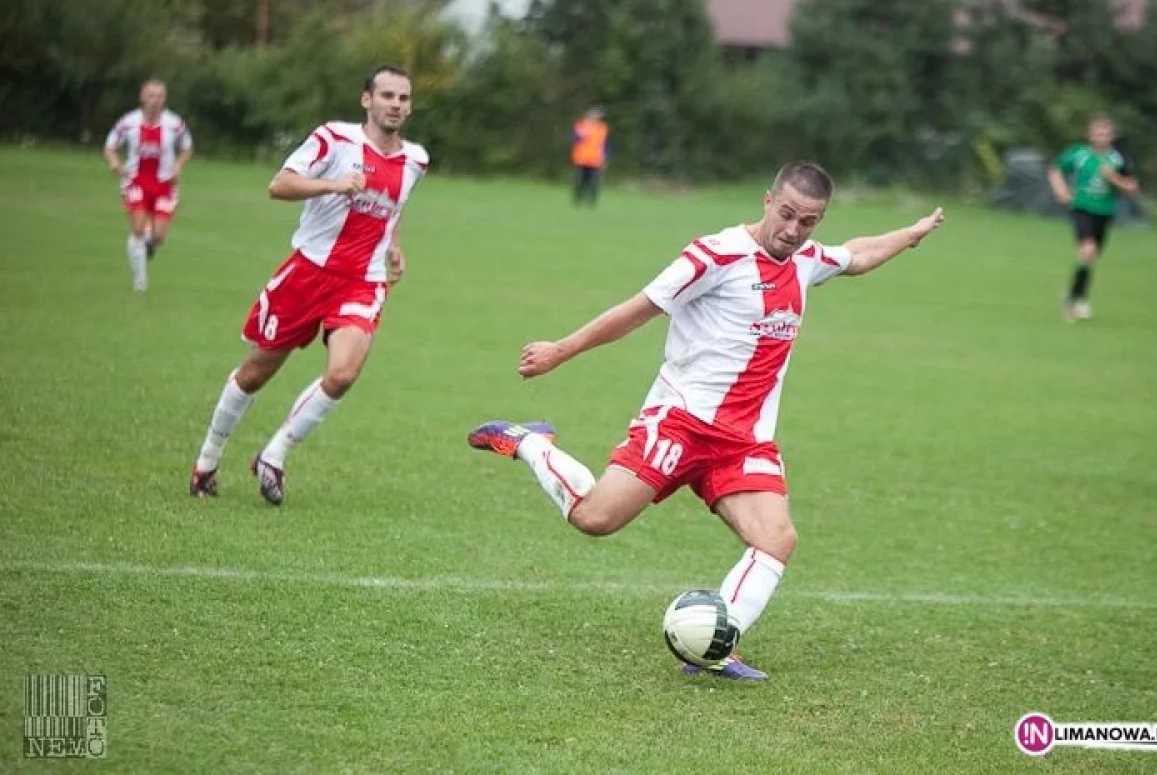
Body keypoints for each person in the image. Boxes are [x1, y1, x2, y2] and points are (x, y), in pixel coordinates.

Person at [467, 163, 945, 680]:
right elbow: (637, 309)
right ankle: (530, 442)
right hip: (680, 424)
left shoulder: (807, 259)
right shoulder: (715, 255)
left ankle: (716, 645)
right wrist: (562, 349)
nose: (793, 230)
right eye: (786, 214)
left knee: (777, 539)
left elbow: (858, 254)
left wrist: (911, 236)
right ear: (767, 201)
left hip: (745, 442)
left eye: (808, 221)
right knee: (594, 519)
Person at [189, 64, 429, 505]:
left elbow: (394, 208)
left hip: (363, 282)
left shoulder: (415, 160)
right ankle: (207, 461)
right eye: (388, 96)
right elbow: (278, 185)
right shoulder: (334, 139)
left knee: (342, 374)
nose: (396, 104)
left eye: (404, 98)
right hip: (307, 273)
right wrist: (335, 184)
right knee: (256, 371)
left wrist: (393, 245)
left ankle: (273, 455)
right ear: (367, 100)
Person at [104, 79, 194, 292]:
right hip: (135, 181)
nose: (155, 100)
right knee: (138, 228)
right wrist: (115, 162)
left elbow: (187, 148)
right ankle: (140, 279)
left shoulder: (174, 123)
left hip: (164, 184)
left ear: (164, 99)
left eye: (159, 96)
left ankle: (145, 246)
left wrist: (179, 166)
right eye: (151, 95)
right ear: (142, 97)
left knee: (158, 236)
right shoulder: (129, 122)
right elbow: (110, 146)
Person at [1047, 116, 1139, 321]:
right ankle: (1077, 301)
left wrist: (1113, 178)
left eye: (1105, 133)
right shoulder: (1079, 154)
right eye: (1097, 133)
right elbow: (1055, 169)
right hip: (1082, 208)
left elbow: (1132, 189)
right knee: (1087, 250)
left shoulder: (1118, 160)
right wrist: (1061, 190)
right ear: (1089, 135)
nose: (1101, 137)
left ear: (1112, 137)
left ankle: (1074, 295)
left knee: (1090, 257)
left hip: (1104, 212)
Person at [571, 106, 609, 206]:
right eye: (594, 115)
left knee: (594, 183)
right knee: (579, 181)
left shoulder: (602, 128)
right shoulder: (581, 125)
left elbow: (604, 144)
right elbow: (575, 140)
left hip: (596, 160)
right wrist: (582, 135)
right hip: (581, 159)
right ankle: (578, 200)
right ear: (588, 115)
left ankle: (592, 202)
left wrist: (605, 158)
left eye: (598, 115)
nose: (595, 117)